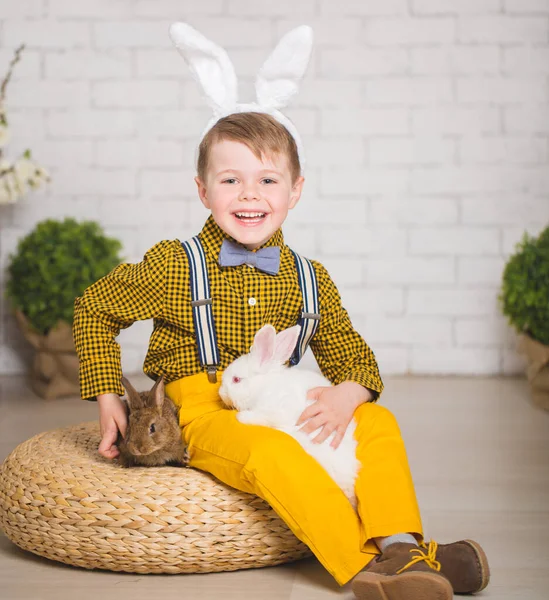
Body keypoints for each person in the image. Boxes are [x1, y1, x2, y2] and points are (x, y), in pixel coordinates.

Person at [72, 23, 490, 600]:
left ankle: (402, 544)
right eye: (231, 180)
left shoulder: (308, 278)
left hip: (282, 397)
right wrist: (108, 395)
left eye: (267, 179)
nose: (250, 195)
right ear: (202, 190)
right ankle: (365, 568)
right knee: (273, 453)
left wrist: (351, 393)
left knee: (379, 424)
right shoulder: (174, 264)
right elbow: (94, 309)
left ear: (295, 190)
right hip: (204, 408)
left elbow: (350, 352)